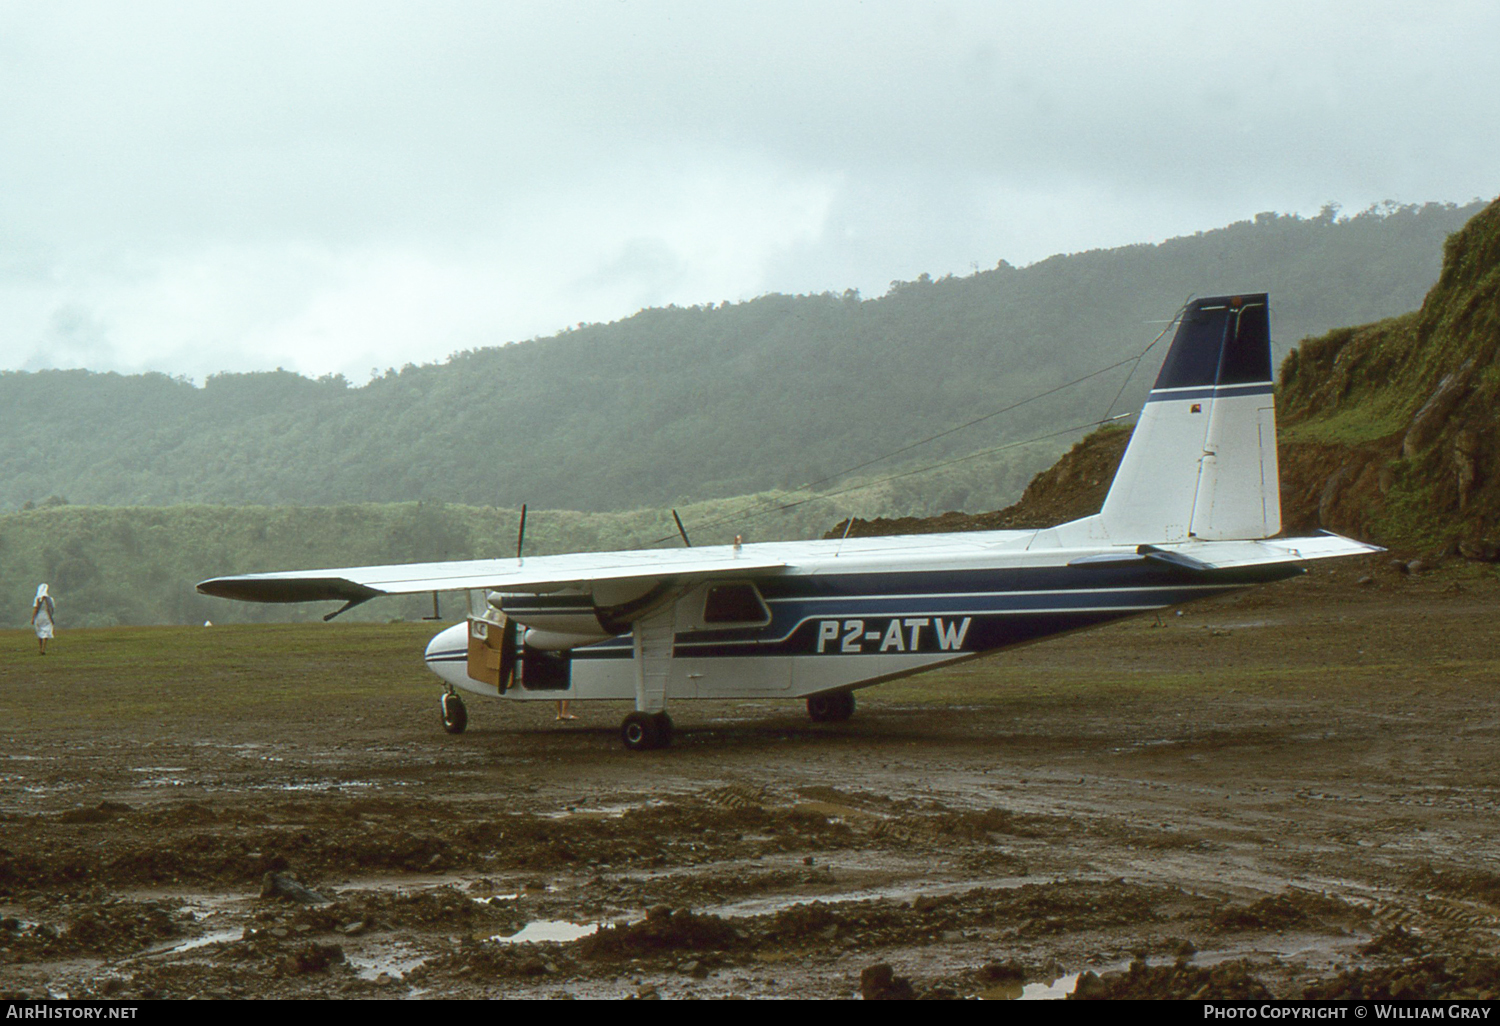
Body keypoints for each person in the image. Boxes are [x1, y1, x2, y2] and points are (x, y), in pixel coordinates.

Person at [31, 584, 55, 655]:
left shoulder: (37, 599)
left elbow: (35, 609)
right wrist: (51, 618)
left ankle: (40, 648)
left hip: (39, 616)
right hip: (47, 616)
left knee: (40, 632)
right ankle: (43, 649)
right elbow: (52, 609)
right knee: (46, 632)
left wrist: (33, 618)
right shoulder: (50, 599)